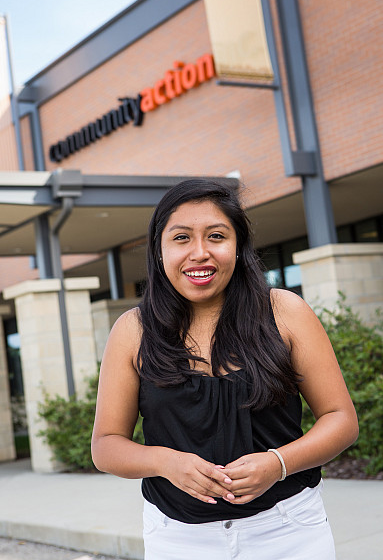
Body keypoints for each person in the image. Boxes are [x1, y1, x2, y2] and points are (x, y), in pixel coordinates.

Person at [91, 178, 358, 560]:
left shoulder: (284, 312)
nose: (199, 253)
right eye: (181, 238)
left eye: (216, 236)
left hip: (288, 530)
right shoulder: (133, 331)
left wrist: (278, 463)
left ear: (238, 247)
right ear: (159, 250)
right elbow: (105, 446)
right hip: (178, 538)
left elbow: (341, 419)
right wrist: (167, 463)